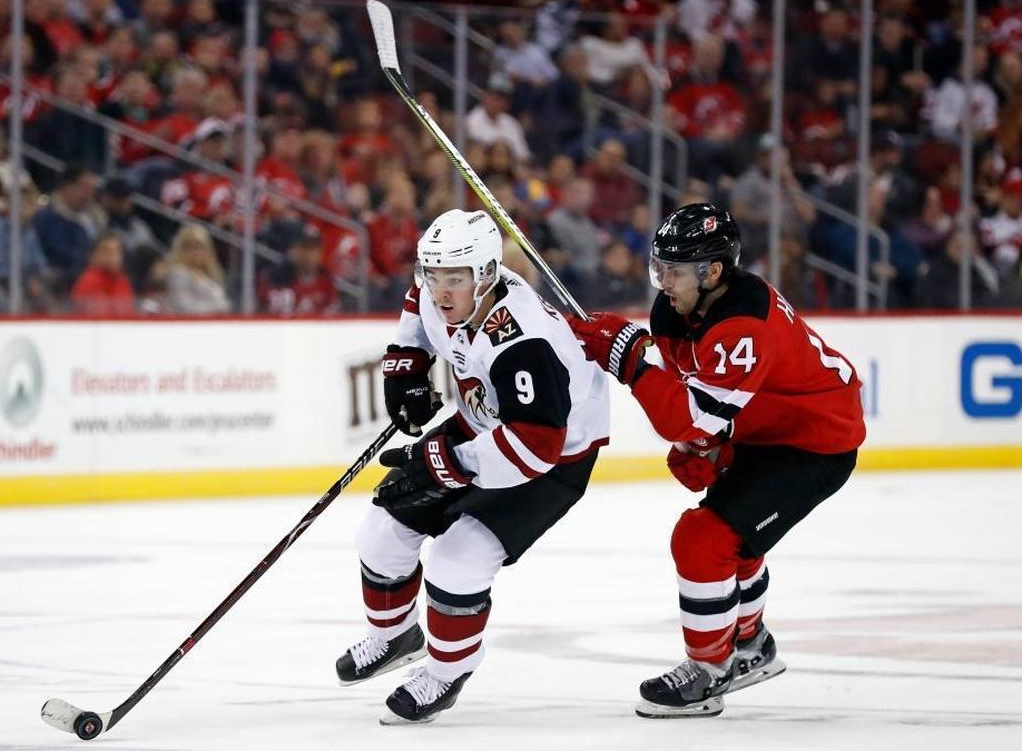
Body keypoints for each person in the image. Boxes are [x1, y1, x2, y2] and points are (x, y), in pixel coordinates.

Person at [567, 203, 865, 718]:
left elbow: (689, 415)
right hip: (766, 430)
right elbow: (695, 404)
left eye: (675, 271)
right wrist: (705, 444)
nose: (663, 282)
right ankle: (752, 646)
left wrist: (630, 358)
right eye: (659, 267)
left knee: (702, 540)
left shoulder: (744, 325)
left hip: (814, 444)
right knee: (736, 541)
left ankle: (710, 668)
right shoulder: (678, 309)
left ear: (713, 273)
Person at [337, 209, 610, 724]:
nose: (442, 291)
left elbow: (535, 446)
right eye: (433, 273)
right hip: (483, 425)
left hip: (553, 456)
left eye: (455, 279)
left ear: (485, 274)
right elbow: (418, 305)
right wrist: (406, 364)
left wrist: (449, 463)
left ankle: (445, 672)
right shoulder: (444, 291)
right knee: (381, 529)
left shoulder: (521, 341)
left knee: (460, 557)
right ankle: (394, 636)